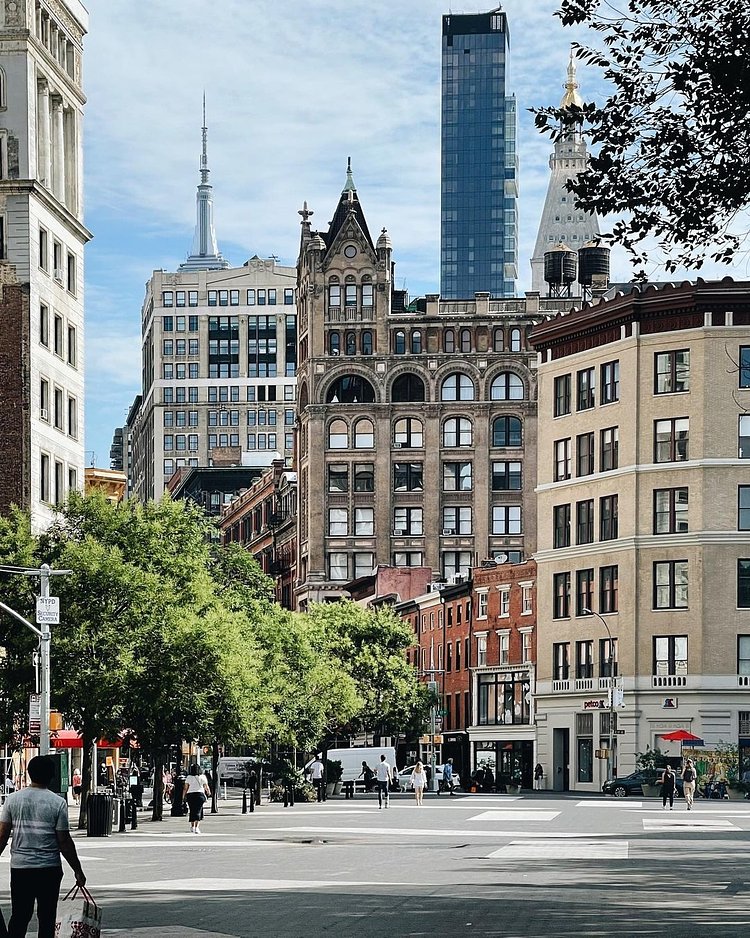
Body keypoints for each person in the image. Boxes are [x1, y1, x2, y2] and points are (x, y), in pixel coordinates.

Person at [0, 755, 86, 938]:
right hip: (49, 869)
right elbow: (64, 841)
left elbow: (2, 835)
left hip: (21, 868)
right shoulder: (57, 803)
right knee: (47, 917)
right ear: (51, 776)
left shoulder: (12, 800)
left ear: (30, 774)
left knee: (19, 916)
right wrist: (77, 870)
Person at [182, 763, 210, 834]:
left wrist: (183, 796)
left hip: (190, 795)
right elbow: (206, 786)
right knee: (198, 810)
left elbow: (185, 788)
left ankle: (192, 826)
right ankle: (196, 827)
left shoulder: (189, 777)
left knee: (192, 810)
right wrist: (208, 792)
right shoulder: (203, 777)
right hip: (200, 794)